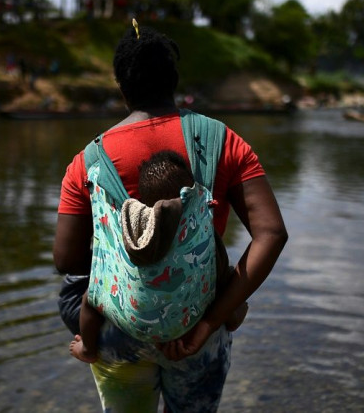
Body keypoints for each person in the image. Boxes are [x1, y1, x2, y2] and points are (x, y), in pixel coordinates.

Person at [53, 21, 287, 412]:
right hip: (197, 323)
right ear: (174, 81)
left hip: (118, 327)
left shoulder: (87, 162)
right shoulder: (222, 141)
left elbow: (67, 260)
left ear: (121, 87)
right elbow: (272, 234)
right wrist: (213, 320)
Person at [68, 150, 248, 364]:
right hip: (188, 321)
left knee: (91, 298)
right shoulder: (197, 231)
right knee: (225, 277)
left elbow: (67, 261)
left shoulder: (132, 229)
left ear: (144, 200)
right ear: (189, 194)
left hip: (133, 323)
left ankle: (88, 349)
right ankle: (233, 316)